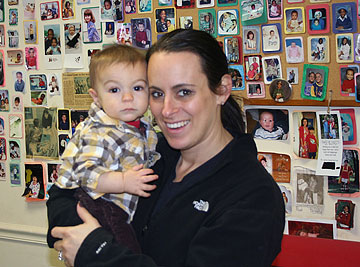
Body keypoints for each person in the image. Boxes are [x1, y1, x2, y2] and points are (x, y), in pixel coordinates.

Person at [47, 29, 284, 267]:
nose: (167, 110)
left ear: (222, 89)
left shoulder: (254, 196)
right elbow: (62, 194)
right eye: (157, 94)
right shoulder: (150, 150)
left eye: (184, 92)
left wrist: (94, 250)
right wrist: (77, 237)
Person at [54, 45, 160, 253]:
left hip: (120, 206)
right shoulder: (99, 131)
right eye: (114, 90)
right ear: (96, 97)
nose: (128, 97)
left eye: (137, 88)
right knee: (125, 252)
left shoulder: (144, 127)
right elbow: (86, 174)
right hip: (99, 203)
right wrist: (123, 181)